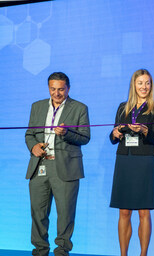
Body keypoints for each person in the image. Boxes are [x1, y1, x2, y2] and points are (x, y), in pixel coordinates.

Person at [25, 72, 90, 256]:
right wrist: (34, 147)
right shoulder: (37, 107)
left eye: (61, 89)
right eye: (53, 89)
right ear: (48, 88)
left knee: (66, 215)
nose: (57, 93)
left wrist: (66, 133)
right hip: (40, 166)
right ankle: (40, 251)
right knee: (38, 214)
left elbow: (85, 137)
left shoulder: (79, 108)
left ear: (68, 88)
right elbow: (29, 134)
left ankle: (62, 251)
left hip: (66, 168)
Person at [110, 69, 154, 256]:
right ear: (134, 85)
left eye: (147, 83)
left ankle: (143, 254)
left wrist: (143, 130)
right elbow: (113, 136)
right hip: (124, 159)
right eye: (140, 83)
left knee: (144, 212)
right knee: (124, 211)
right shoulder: (122, 107)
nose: (144, 87)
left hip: (144, 160)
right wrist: (115, 133)